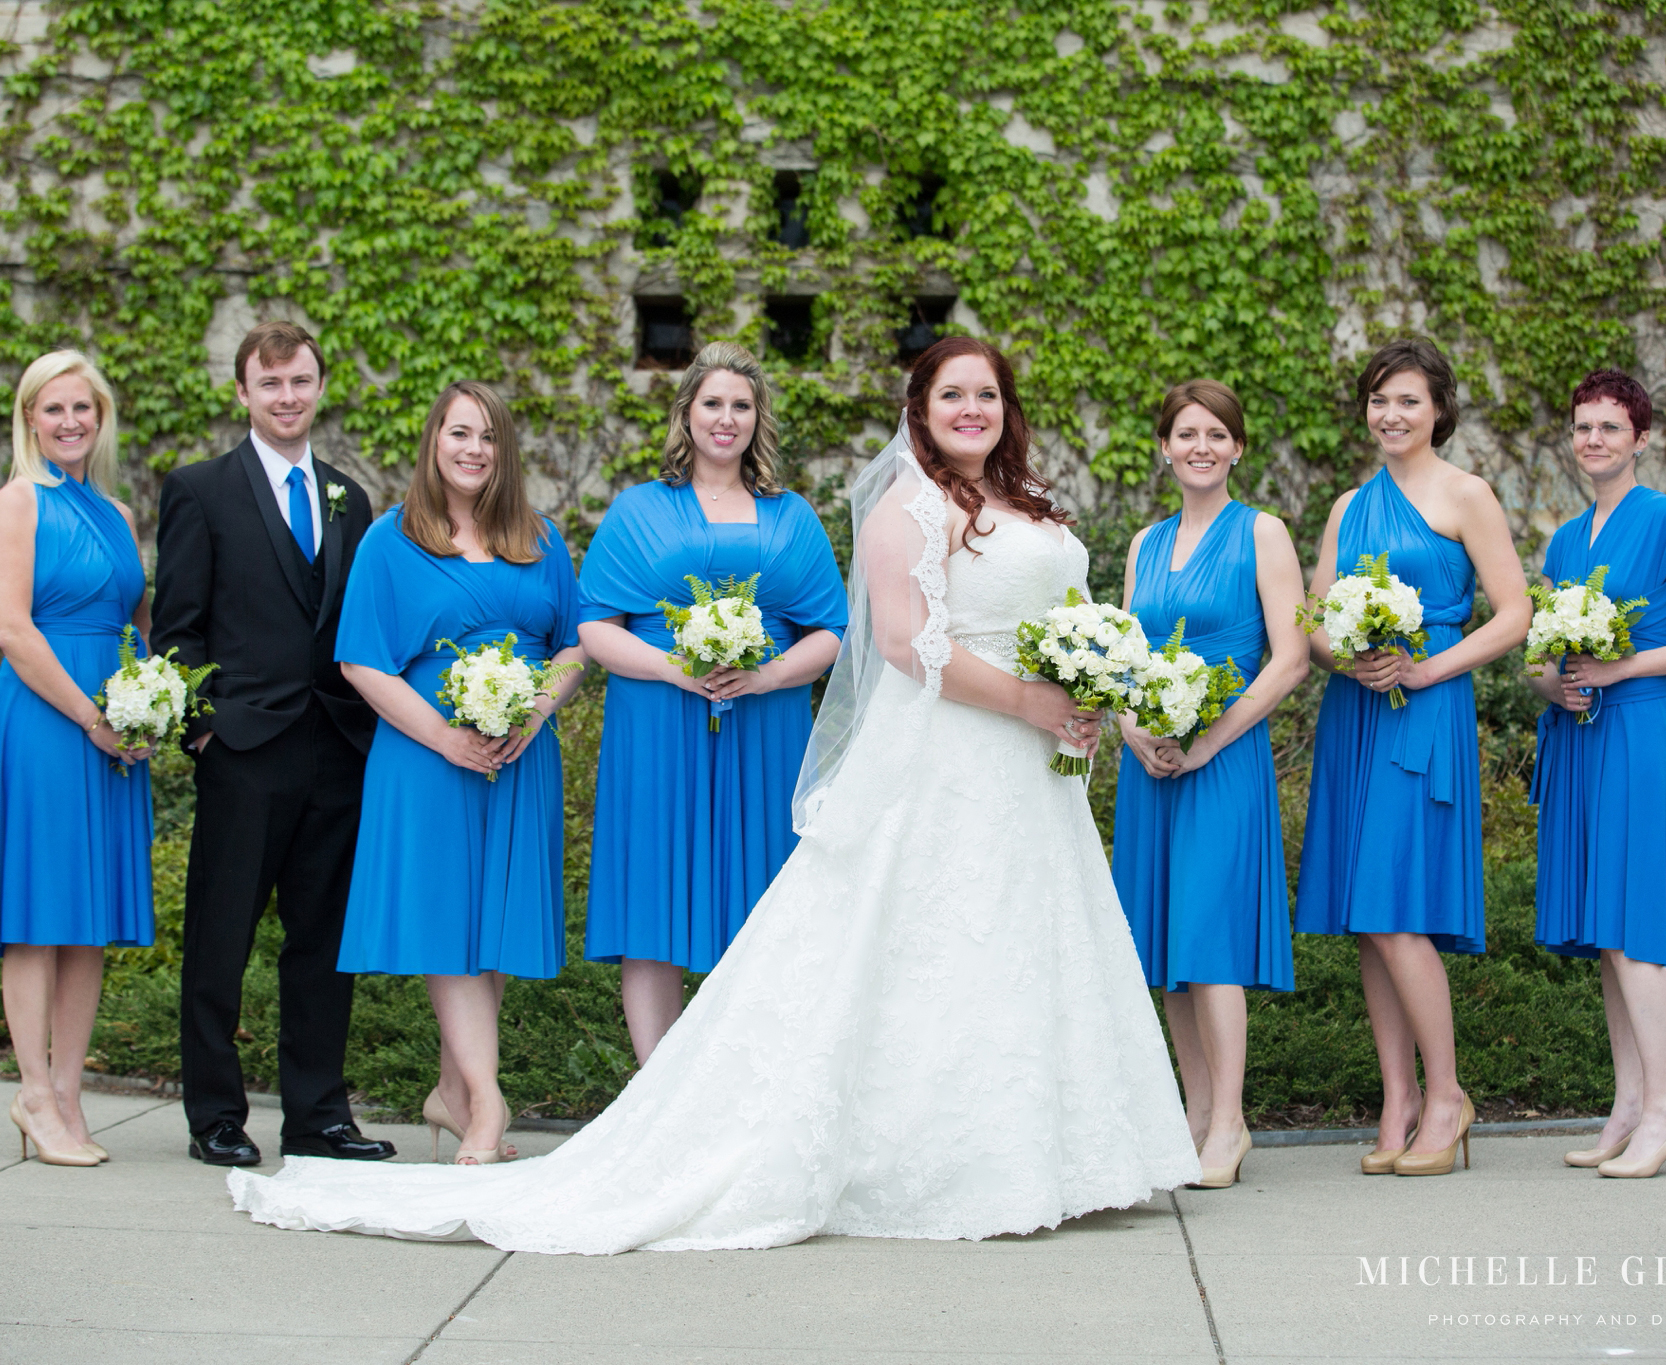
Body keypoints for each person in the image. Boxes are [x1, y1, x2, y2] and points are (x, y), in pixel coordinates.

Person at [227, 335, 1201, 1250]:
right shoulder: (904, 504)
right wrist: (1033, 702)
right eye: (950, 393)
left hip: (1025, 771)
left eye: (986, 393)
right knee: (920, 942)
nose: (971, 407)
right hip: (927, 749)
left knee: (1020, 940)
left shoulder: (1028, 502)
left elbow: (1036, 624)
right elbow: (906, 645)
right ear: (917, 409)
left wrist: (1093, 694)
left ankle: (1037, 1145)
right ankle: (898, 1146)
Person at [152, 321, 393, 1167]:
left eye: (301, 382)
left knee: (323, 942)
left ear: (319, 387)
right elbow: (175, 628)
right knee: (221, 936)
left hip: (335, 745)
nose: (287, 398)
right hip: (244, 749)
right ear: (244, 392)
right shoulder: (199, 489)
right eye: (271, 384)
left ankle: (317, 1114)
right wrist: (204, 731)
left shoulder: (349, 499)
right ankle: (215, 1113)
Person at [333, 381, 589, 1165]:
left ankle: (454, 1091)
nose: (474, 449)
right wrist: (446, 737)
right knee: (450, 927)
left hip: (518, 757)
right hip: (428, 759)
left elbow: (576, 644)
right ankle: (487, 1103)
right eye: (459, 433)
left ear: (504, 451)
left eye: (488, 437)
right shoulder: (389, 540)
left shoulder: (541, 539)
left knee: (495, 926)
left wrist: (537, 709)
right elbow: (361, 660)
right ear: (434, 441)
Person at [1294, 337, 1530, 1177]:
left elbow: (1513, 614)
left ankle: (1449, 1094)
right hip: (1358, 706)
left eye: (1407, 401)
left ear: (1439, 409)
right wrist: (1340, 651)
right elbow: (1313, 617)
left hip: (1425, 706)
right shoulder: (1347, 506)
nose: (1390, 415)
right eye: (1378, 401)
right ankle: (1395, 1098)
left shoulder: (1468, 494)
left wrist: (1428, 665)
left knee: (1397, 911)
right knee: (1368, 919)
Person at [576, 341, 847, 1062]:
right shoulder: (639, 510)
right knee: (653, 902)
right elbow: (594, 625)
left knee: (766, 907)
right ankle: (657, 1095)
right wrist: (674, 667)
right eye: (712, 403)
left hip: (768, 730)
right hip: (658, 726)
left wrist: (766, 675)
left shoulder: (792, 516)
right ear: (686, 413)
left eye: (741, 405)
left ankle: (749, 1091)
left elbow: (834, 630)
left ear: (758, 419)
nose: (726, 419)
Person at [1528, 368, 1666, 1179]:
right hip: (1577, 734)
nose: (1593, 440)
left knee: (1633, 920)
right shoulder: (1562, 539)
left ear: (1640, 438)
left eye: (1610, 427)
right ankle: (1627, 1102)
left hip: (1636, 732)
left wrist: (1623, 669)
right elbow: (1544, 662)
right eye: (1583, 426)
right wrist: (1560, 679)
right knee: (1605, 928)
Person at [1110, 380, 1310, 1191]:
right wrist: (1135, 729)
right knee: (1164, 944)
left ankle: (1231, 1118)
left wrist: (1207, 742)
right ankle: (1192, 1113)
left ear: (1237, 448)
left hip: (1224, 761)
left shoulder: (1263, 533)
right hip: (1149, 763)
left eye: (1216, 433)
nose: (1200, 445)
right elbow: (1121, 655)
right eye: (1186, 432)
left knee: (1212, 938)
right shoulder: (1141, 543)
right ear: (1164, 447)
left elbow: (1291, 658)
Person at [0, 350, 155, 1167]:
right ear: (28, 418)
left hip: (115, 726)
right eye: (54, 410)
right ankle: (32, 1093)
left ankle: (71, 1095)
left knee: (89, 924)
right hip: (52, 721)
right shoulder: (19, 503)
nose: (71, 422)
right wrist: (91, 716)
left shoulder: (117, 512)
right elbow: (13, 630)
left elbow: (139, 623)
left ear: (102, 415)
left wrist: (151, 702)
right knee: (41, 918)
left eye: (83, 408)